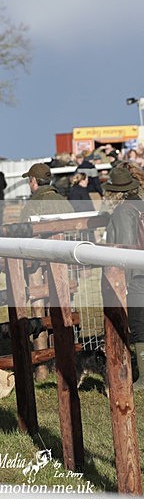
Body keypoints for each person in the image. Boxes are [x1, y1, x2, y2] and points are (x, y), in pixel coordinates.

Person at [103, 166, 144, 390]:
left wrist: (124, 283)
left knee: (138, 326)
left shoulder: (123, 211)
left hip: (136, 275)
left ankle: (143, 378)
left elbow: (126, 246)